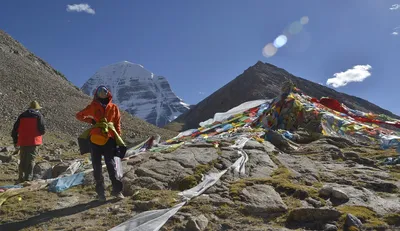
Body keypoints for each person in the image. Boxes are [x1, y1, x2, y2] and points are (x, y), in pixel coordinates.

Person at [76, 86, 124, 201]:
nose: (103, 93)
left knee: (109, 165)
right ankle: (104, 193)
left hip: (105, 138)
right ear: (97, 94)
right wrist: (92, 121)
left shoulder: (112, 107)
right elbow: (79, 115)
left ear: (108, 93)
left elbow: (117, 123)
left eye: (104, 91)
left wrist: (118, 137)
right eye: (101, 92)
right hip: (99, 138)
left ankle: (113, 191)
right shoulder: (94, 106)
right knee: (99, 165)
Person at [11, 100, 46, 183]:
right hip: (34, 141)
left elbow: (14, 130)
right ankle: (28, 179)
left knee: (22, 159)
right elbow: (42, 130)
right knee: (30, 160)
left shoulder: (22, 115)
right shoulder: (38, 115)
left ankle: (20, 177)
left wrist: (16, 141)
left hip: (23, 141)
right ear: (37, 108)